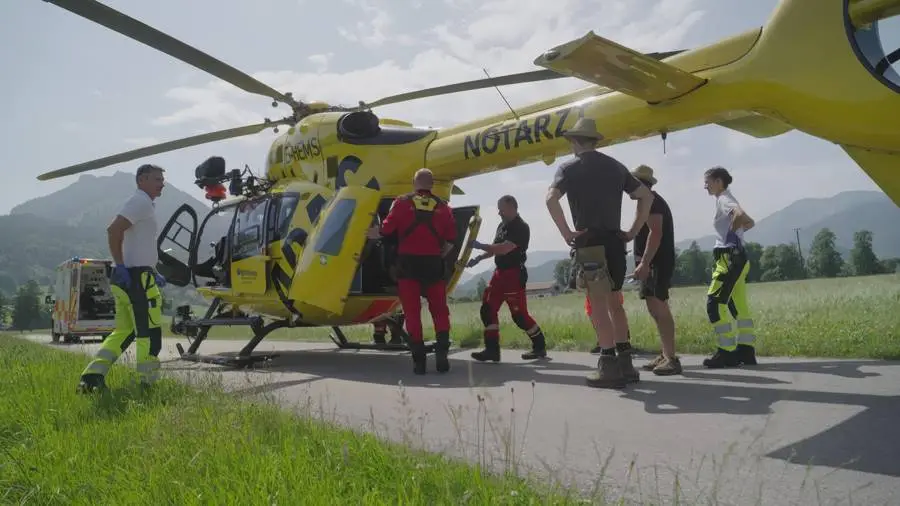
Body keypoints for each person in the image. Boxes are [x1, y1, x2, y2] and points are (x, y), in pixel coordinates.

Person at [545, 118, 654, 389]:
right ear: (594, 140)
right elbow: (646, 196)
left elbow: (550, 199)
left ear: (574, 141)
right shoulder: (616, 167)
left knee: (599, 305)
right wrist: (632, 230)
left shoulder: (568, 168)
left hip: (589, 243)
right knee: (616, 302)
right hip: (616, 243)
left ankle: (607, 365)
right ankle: (626, 362)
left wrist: (567, 233)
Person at [77, 164, 167, 393]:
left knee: (124, 332)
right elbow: (113, 230)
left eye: (162, 179)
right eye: (157, 179)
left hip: (130, 277)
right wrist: (122, 265)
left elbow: (134, 242)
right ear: (141, 180)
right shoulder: (141, 202)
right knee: (150, 334)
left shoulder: (141, 203)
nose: (162, 183)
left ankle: (91, 378)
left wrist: (152, 270)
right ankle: (145, 385)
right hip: (136, 279)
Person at [367, 168, 457, 375]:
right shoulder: (444, 207)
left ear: (414, 183)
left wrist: (372, 233)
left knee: (412, 313)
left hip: (408, 266)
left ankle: (419, 361)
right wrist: (439, 254)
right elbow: (451, 239)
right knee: (440, 310)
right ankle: (442, 354)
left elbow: (387, 229)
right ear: (432, 184)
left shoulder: (402, 203)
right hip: (433, 265)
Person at [466, 195, 549, 362]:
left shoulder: (521, 227)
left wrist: (480, 245)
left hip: (513, 275)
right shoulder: (502, 226)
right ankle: (492, 350)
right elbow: (495, 248)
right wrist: (479, 258)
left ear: (512, 207)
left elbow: (504, 248)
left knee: (519, 316)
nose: (498, 212)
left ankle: (539, 346)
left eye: (501, 209)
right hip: (499, 274)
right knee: (487, 309)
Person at [627, 165, 681, 375]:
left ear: (640, 183)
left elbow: (655, 233)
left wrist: (645, 262)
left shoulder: (653, 202)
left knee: (660, 307)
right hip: (650, 263)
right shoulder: (646, 202)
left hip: (657, 263)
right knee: (653, 308)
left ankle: (671, 358)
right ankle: (665, 353)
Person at [702, 166, 758, 368]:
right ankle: (745, 350)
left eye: (707, 181)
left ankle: (725, 352)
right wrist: (737, 233)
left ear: (718, 181)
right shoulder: (727, 198)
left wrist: (731, 237)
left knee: (714, 304)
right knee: (738, 306)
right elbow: (750, 222)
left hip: (728, 257)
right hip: (739, 257)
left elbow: (741, 215)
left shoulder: (724, 199)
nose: (705, 186)